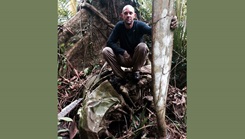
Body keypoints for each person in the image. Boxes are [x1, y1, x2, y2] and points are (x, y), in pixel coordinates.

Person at [102, 5, 177, 84]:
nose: (128, 15)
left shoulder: (139, 25)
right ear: (122, 16)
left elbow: (154, 31)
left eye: (130, 13)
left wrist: (170, 22)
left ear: (134, 15)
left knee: (143, 46)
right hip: (124, 58)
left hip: (137, 59)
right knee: (106, 51)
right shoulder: (119, 26)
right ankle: (121, 75)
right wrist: (123, 52)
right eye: (126, 13)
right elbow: (110, 42)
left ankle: (136, 72)